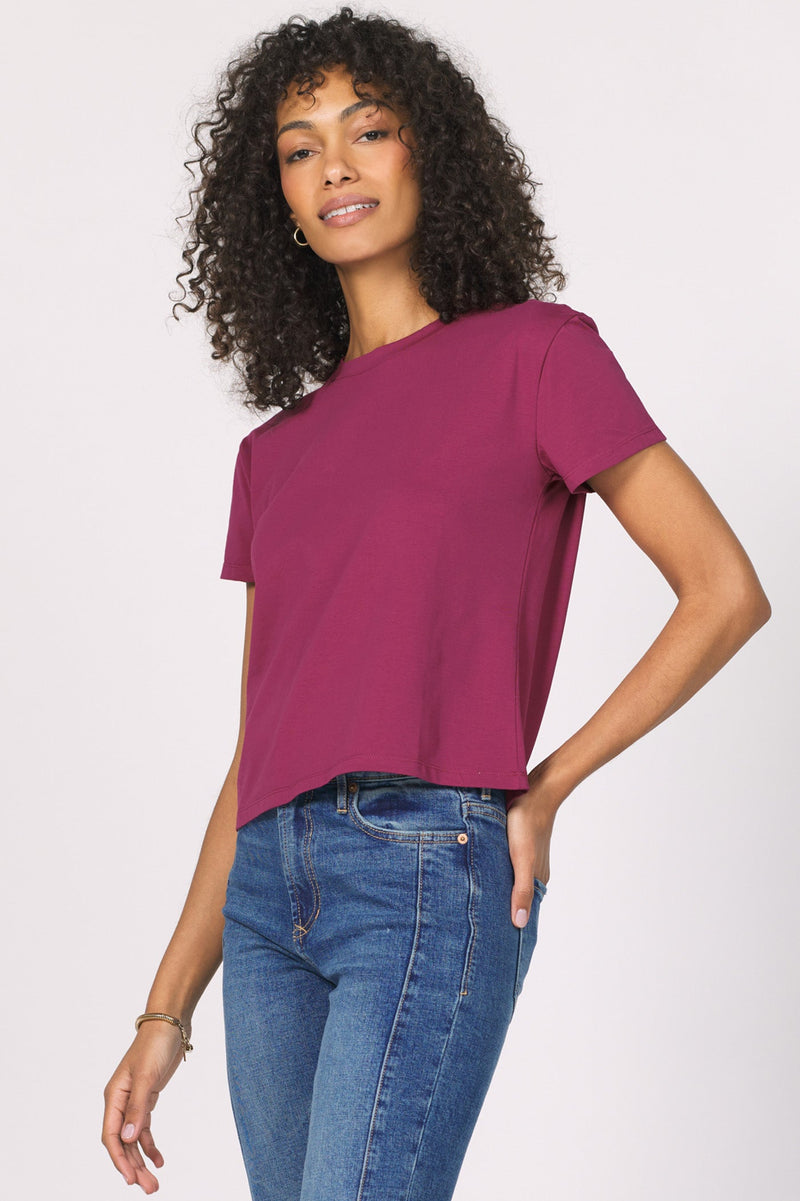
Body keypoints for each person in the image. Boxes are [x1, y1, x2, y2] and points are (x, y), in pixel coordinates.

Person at [100, 7, 772, 1199]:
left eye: (367, 130)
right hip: (262, 901)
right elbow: (261, 745)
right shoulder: (272, 456)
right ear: (276, 201)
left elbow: (721, 591)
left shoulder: (537, 355)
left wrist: (545, 786)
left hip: (420, 865)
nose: (334, 166)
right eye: (300, 148)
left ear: (430, 152)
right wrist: (165, 1009)